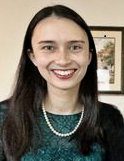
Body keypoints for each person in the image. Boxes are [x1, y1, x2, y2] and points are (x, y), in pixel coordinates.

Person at [0, 4, 124, 161]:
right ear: (33, 57)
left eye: (75, 47)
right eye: (49, 47)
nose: (63, 60)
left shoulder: (110, 118)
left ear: (89, 56)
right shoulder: (4, 116)